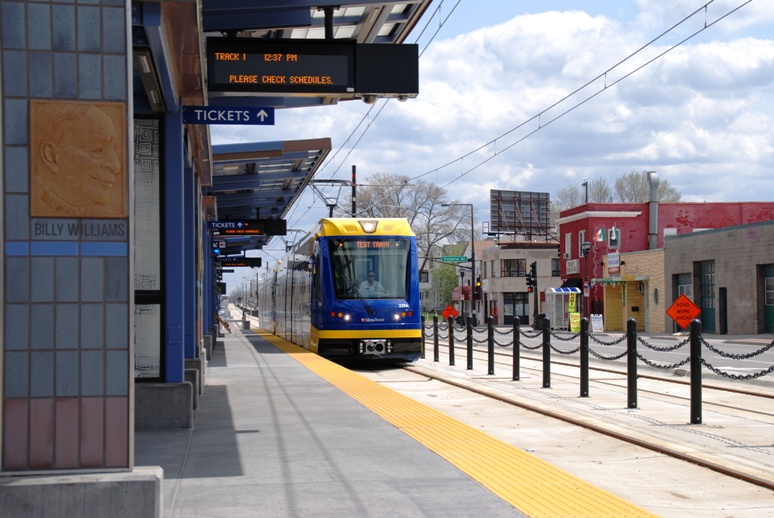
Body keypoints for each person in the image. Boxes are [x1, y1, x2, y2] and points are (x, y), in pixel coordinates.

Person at [31, 100, 125, 218]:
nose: (116, 166)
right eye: (97, 150)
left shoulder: (108, 217)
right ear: (52, 156)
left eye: (113, 149)